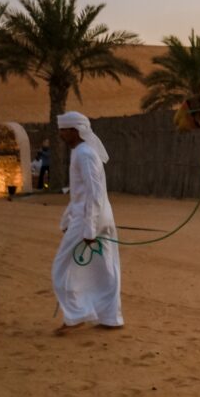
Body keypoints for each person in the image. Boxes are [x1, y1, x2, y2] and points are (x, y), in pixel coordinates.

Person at [51, 111, 123, 334]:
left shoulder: (84, 154)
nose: (61, 134)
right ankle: (111, 317)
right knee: (105, 268)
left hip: (90, 219)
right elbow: (79, 194)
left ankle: (75, 315)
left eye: (64, 130)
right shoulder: (80, 152)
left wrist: (89, 229)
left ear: (75, 130)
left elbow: (94, 194)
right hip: (92, 217)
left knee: (62, 268)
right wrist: (67, 219)